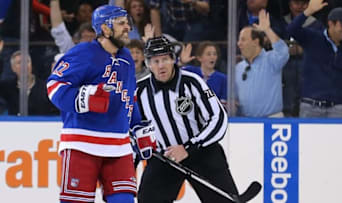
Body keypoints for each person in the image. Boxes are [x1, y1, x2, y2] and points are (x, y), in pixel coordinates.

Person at [46, 5, 155, 203]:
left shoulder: (127, 58)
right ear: (105, 28)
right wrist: (84, 98)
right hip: (82, 145)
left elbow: (129, 98)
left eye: (127, 23)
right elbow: (54, 86)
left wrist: (138, 127)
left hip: (119, 147)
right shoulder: (83, 52)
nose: (127, 28)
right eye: (121, 23)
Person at [136, 36, 239, 203]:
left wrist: (190, 147)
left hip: (202, 153)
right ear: (148, 64)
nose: (161, 65)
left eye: (164, 59)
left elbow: (218, 117)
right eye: (155, 61)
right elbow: (131, 129)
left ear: (173, 59)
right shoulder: (139, 91)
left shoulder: (193, 82)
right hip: (165, 158)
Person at [287, 0, 342, 118]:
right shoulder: (313, 38)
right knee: (307, 137)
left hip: (337, 108)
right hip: (310, 106)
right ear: (331, 23)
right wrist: (308, 11)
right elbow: (291, 29)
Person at [235, 9, 289, 117]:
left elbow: (283, 51)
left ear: (255, 42)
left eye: (243, 40)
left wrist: (267, 30)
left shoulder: (271, 60)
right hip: (247, 122)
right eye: (239, 40)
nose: (239, 44)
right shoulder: (238, 68)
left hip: (271, 121)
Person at [282, 0, 324, 116]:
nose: (300, 7)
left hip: (308, 64)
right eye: (296, 3)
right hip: (286, 63)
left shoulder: (317, 24)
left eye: (304, 3)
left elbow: (320, 47)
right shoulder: (282, 22)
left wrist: (303, 50)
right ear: (290, 4)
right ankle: (288, 111)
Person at [0, 51, 58, 115]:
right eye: (19, 62)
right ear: (13, 68)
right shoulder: (8, 88)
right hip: (15, 124)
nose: (24, 65)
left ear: (31, 64)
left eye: (27, 61)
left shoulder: (44, 87)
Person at [182, 41, 227, 107]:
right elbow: (172, 73)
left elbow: (224, 102)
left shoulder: (223, 78)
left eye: (214, 54)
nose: (212, 57)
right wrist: (181, 62)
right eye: (209, 54)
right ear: (199, 58)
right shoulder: (190, 71)